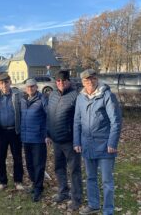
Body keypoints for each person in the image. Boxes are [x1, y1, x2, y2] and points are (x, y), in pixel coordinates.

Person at [73, 69, 122, 215]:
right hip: (87, 145)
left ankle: (108, 210)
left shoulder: (107, 95)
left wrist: (112, 143)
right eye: (86, 80)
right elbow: (76, 122)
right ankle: (93, 205)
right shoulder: (80, 97)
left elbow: (116, 121)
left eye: (92, 79)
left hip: (105, 146)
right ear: (82, 82)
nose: (90, 82)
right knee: (90, 177)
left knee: (107, 181)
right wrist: (77, 142)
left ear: (96, 79)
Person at [46, 70, 82, 211]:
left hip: (70, 141)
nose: (61, 83)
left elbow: (79, 119)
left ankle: (76, 198)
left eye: (64, 80)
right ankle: (63, 192)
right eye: (59, 81)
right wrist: (48, 134)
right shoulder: (53, 95)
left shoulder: (75, 96)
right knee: (59, 168)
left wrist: (77, 140)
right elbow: (49, 116)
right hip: (56, 140)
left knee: (74, 170)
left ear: (69, 81)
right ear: (56, 82)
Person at [0, 72, 24, 191]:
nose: (4, 85)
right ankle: (2, 181)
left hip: (15, 131)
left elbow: (22, 112)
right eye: (1, 83)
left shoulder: (17, 95)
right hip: (1, 132)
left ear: (10, 82)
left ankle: (18, 181)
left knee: (17, 157)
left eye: (6, 82)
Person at [20, 79, 48, 202]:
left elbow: (48, 116)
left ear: (36, 87)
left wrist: (47, 134)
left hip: (38, 138)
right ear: (25, 88)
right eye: (28, 87)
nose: (30, 89)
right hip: (26, 138)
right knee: (29, 164)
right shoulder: (23, 100)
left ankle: (38, 187)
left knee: (38, 164)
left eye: (32, 86)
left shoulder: (42, 99)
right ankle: (34, 183)